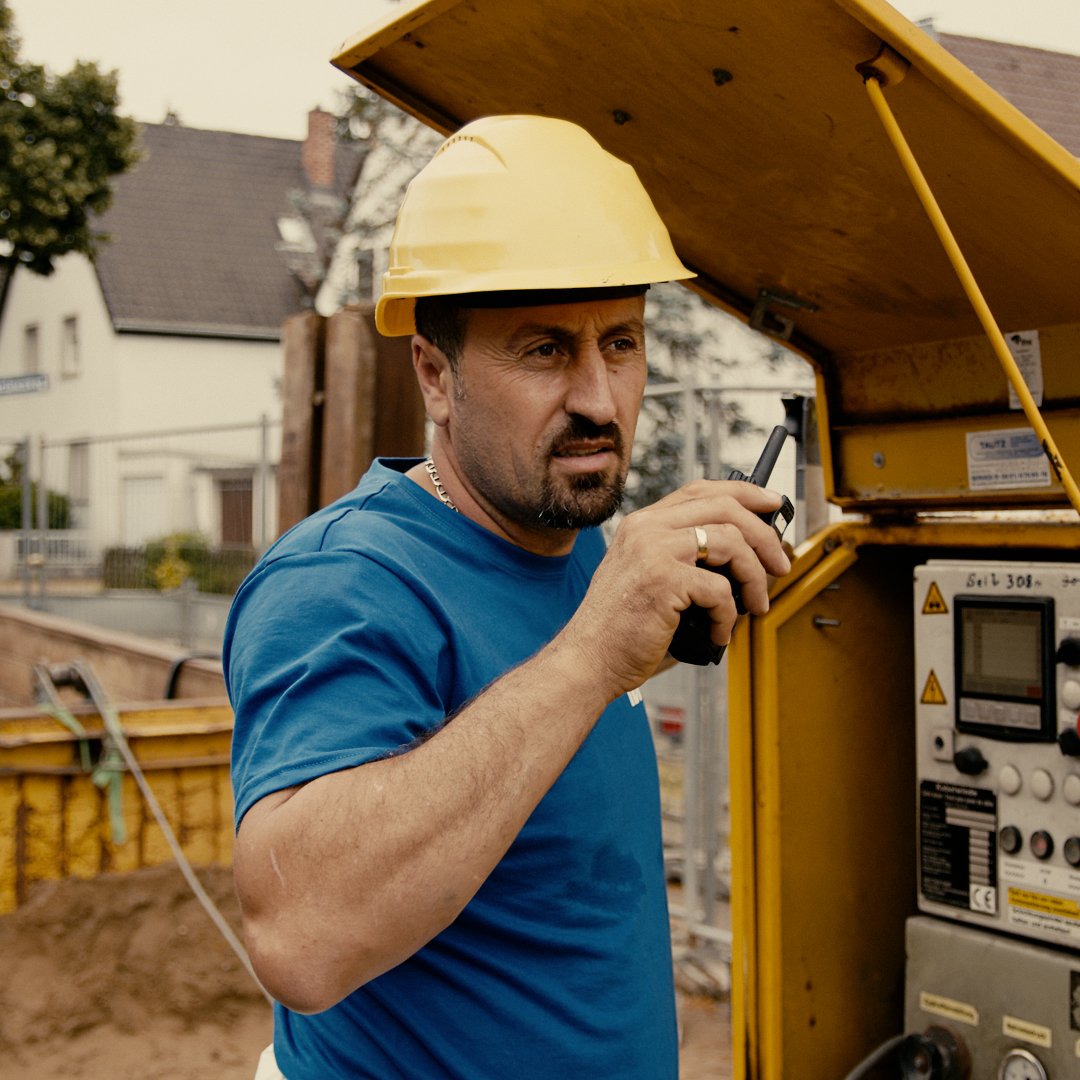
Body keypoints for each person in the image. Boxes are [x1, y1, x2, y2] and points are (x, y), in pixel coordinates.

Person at [227, 114, 790, 1080]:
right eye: (543, 351)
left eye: (621, 342)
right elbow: (300, 939)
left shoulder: (576, 556)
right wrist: (590, 656)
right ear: (436, 377)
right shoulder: (345, 581)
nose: (600, 400)